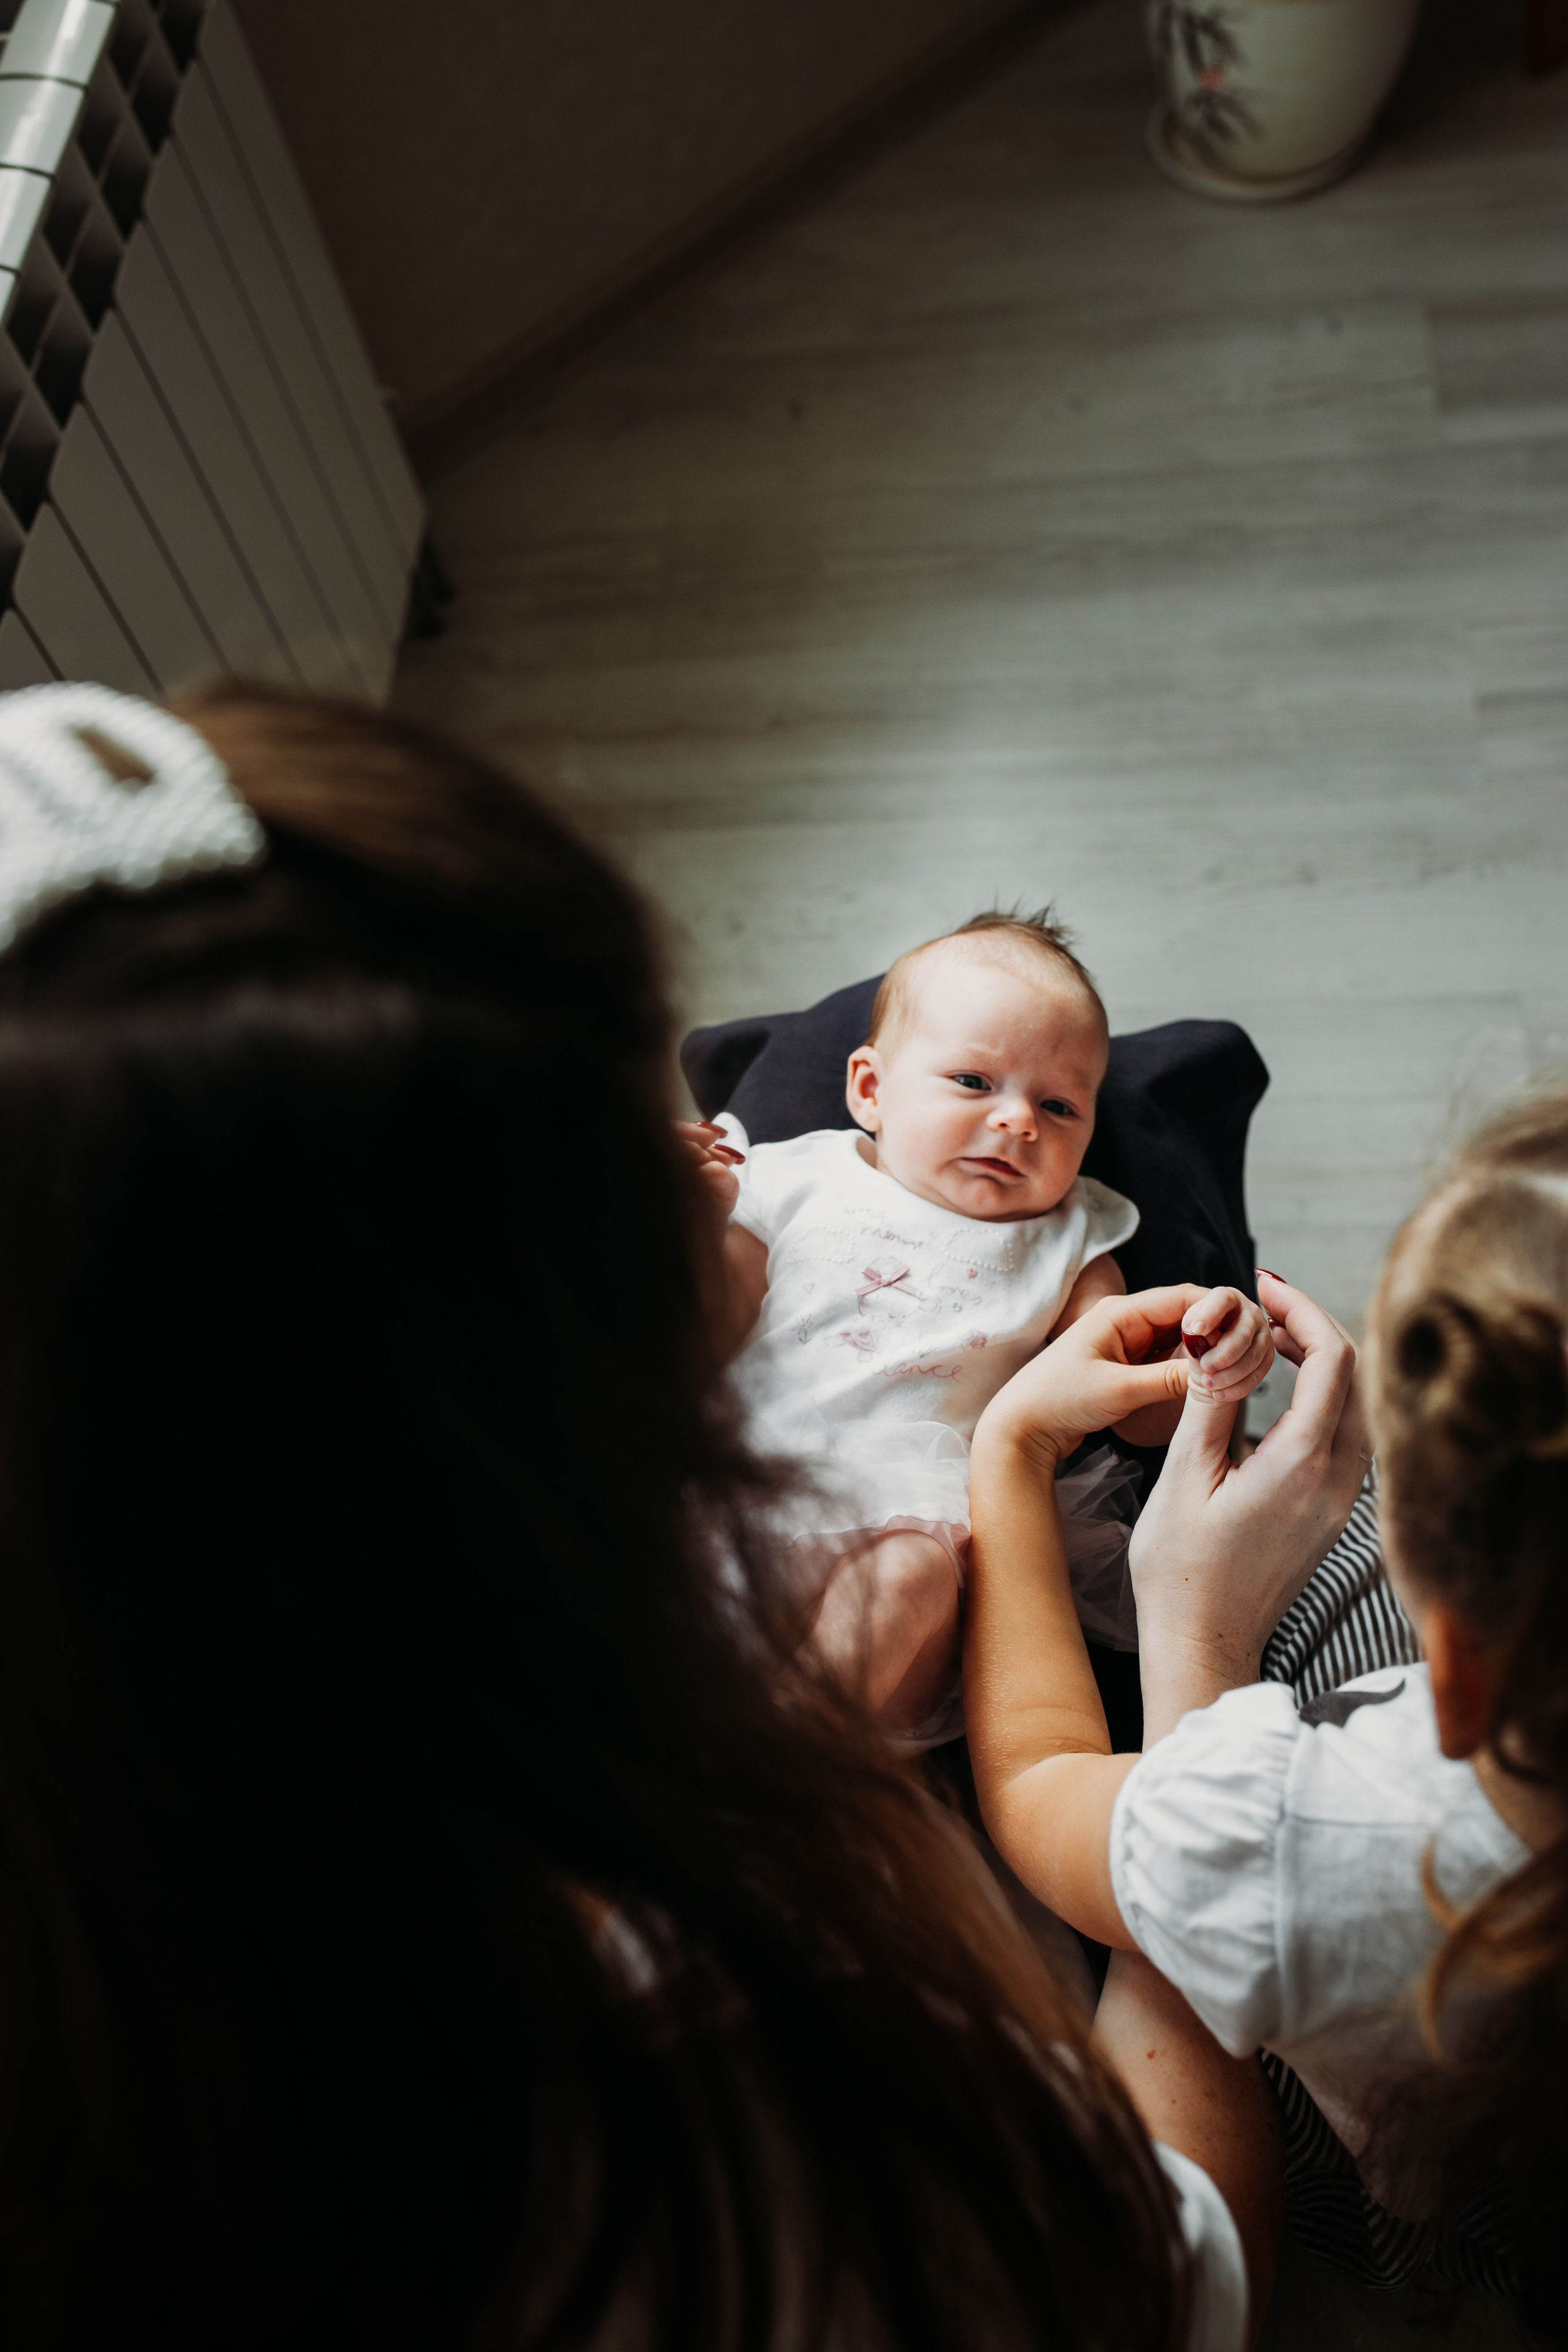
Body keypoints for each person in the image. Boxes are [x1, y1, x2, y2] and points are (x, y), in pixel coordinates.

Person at [0, 679, 1274, 2352]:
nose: (717, 1146)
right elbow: (1184, 2285)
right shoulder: (758, 2099)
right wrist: (1198, 1710)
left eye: (1067, 1110)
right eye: (638, 1153)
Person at [964, 1097, 1568, 2336]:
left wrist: (1013, 1449)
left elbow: (1036, 1778)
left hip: (1402, 2211)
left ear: (1446, 1659)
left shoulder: (1318, 1835)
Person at [686, 911, 1272, 1733]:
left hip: (913, 1534)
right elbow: (701, 1332)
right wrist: (691, 1225)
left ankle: (770, 1766)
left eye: (1062, 1106)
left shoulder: (1071, 1237)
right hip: (734, 1502)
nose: (1019, 1121)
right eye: (973, 1082)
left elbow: (1134, 1414)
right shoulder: (791, 1177)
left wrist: (1203, 1356)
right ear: (869, 1090)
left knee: (913, 1579)